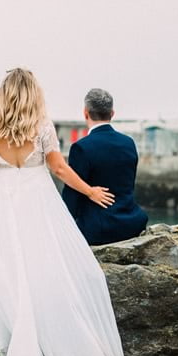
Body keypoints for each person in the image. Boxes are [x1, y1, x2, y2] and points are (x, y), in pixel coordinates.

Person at [0, 68, 151, 356]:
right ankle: (50, 339)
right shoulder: (42, 126)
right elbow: (58, 169)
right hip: (38, 202)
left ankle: (20, 341)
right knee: (44, 269)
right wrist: (90, 191)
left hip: (5, 204)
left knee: (10, 271)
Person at [62, 89, 148, 245]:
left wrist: (64, 226)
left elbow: (72, 195)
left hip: (98, 229)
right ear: (112, 113)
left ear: (85, 113)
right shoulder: (128, 143)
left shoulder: (81, 148)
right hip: (132, 223)